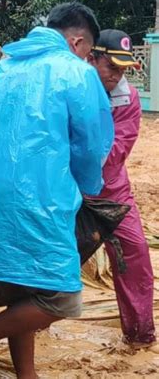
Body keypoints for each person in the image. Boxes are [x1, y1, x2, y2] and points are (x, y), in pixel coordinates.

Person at [0, 2, 114, 378]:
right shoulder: (75, 72)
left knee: (27, 286)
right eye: (87, 52)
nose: (87, 58)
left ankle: (26, 373)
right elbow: (91, 146)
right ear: (78, 41)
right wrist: (88, 187)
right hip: (37, 199)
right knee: (62, 297)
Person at [88, 29, 157, 350]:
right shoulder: (71, 87)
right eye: (111, 67)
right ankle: (30, 324)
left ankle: (140, 336)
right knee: (51, 258)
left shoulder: (127, 99)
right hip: (64, 190)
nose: (117, 76)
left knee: (136, 254)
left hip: (110, 192)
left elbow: (117, 150)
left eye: (123, 70)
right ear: (92, 58)